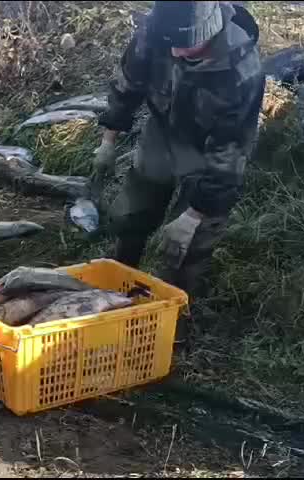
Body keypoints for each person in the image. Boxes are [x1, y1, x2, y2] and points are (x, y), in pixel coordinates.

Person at [94, 0, 265, 297]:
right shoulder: (155, 31)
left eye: (185, 46)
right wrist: (108, 141)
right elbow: (128, 85)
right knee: (130, 215)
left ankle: (174, 315)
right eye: (169, 44)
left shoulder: (241, 72)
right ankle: (115, 287)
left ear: (208, 33)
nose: (174, 53)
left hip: (208, 151)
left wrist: (193, 216)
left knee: (184, 249)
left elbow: (230, 154)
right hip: (162, 130)